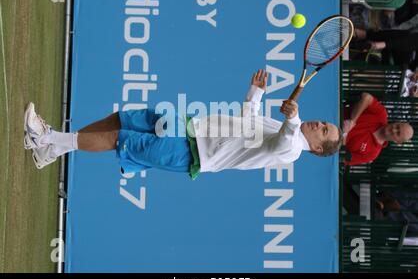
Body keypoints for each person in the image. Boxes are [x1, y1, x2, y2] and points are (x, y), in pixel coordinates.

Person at [24, 69, 343, 178]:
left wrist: (293, 118)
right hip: (191, 126)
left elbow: (281, 143)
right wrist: (256, 93)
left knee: (121, 138)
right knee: (122, 119)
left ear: (317, 147)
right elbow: (247, 121)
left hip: (192, 154)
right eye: (325, 123)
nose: (320, 124)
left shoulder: (292, 151)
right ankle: (52, 149)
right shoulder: (282, 127)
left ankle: (47, 137)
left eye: (324, 130)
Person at [343, 92, 414, 166]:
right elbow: (366, 97)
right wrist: (352, 120)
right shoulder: (381, 114)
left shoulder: (372, 154)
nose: (394, 130)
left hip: (332, 139)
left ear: (397, 142)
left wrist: (344, 134)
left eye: (398, 133)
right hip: (336, 114)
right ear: (396, 122)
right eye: (397, 126)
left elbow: (342, 158)